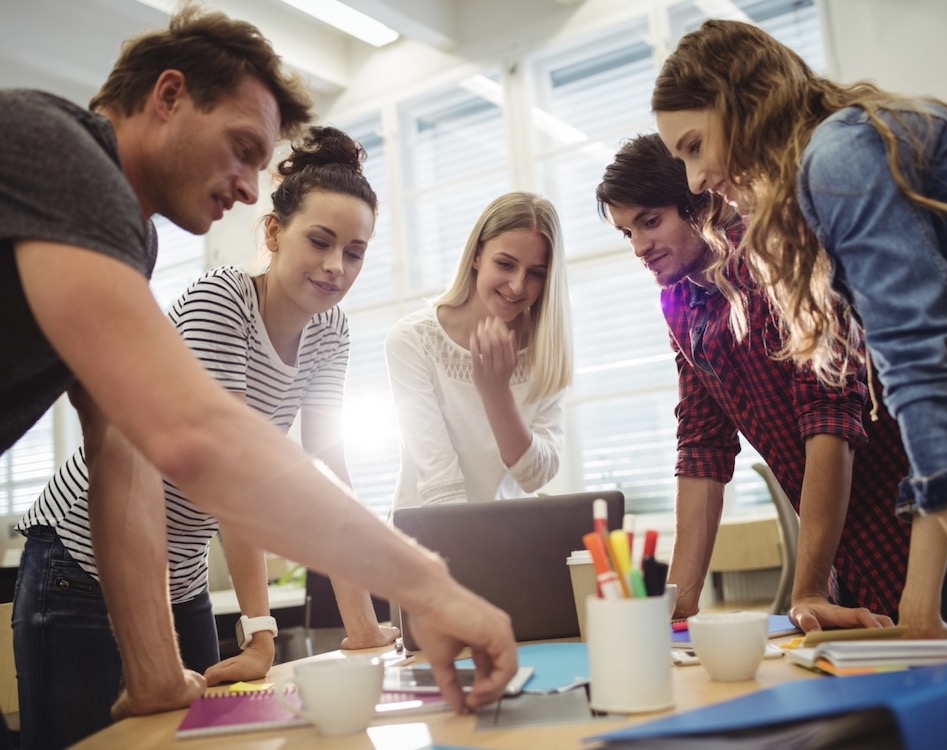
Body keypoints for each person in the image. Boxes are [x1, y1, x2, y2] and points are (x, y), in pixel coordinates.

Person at [0, 4, 516, 738]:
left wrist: (152, 668)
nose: (248, 187)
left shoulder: (130, 237)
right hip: (68, 570)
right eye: (240, 149)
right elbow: (198, 438)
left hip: (167, 579)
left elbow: (122, 444)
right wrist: (431, 588)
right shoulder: (60, 151)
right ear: (169, 95)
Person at [13, 125, 401, 748]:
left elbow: (331, 470)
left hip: (180, 577)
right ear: (273, 234)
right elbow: (229, 473)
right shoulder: (221, 302)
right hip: (79, 566)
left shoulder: (332, 332)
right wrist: (260, 630)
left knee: (205, 743)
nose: (336, 267)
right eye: (321, 242)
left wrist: (363, 627)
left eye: (354, 253)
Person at [652, 19, 947, 651]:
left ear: (744, 105)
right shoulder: (840, 160)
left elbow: (929, 392)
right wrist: (919, 607)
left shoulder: (838, 159)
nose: (696, 179)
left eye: (695, 146)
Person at [596, 134, 947, 650]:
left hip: (931, 536)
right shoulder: (681, 307)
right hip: (846, 563)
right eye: (628, 232)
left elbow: (830, 420)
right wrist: (681, 607)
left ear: (700, 201)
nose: (640, 247)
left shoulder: (777, 260)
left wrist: (804, 588)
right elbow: (701, 449)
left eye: (651, 221)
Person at [385, 192, 573, 509]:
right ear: (476, 256)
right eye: (505, 264)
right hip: (425, 537)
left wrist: (496, 393)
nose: (517, 285)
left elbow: (535, 476)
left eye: (536, 273)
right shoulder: (413, 340)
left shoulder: (546, 352)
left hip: (500, 539)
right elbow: (439, 482)